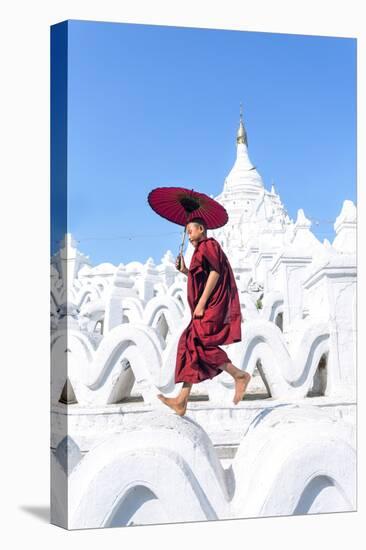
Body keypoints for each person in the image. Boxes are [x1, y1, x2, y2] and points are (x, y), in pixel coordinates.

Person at [157, 217, 251, 415]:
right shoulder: (202, 249)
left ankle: (239, 375)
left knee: (198, 342)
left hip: (210, 306)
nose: (189, 236)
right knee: (190, 343)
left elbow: (215, 273)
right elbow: (201, 277)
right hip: (206, 306)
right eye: (187, 232)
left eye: (190, 231)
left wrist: (200, 304)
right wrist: (186, 271)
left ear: (201, 229)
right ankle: (182, 400)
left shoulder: (208, 244)